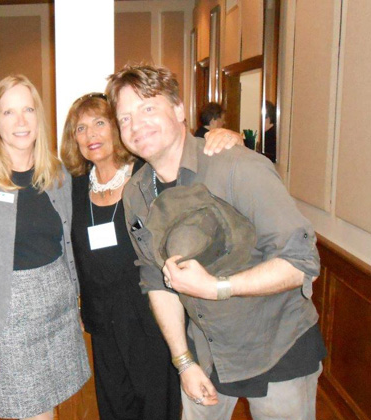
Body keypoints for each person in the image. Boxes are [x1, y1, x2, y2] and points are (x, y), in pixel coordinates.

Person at [107, 64, 326, 420]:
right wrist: (183, 362)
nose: (136, 125)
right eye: (125, 117)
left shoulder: (238, 167)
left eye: (148, 108)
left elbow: (301, 262)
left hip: (277, 347)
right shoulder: (136, 193)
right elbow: (155, 281)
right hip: (205, 355)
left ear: (179, 110)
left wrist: (218, 288)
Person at [60, 93, 241, 420]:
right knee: (114, 405)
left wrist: (225, 136)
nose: (91, 135)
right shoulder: (72, 187)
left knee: (158, 406)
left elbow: (189, 156)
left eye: (100, 123)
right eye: (81, 128)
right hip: (103, 319)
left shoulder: (145, 175)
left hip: (152, 316)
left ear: (117, 127)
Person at [0, 75, 90, 420]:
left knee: (50, 410)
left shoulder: (56, 174)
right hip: (9, 317)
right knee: (30, 413)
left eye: (28, 109)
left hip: (58, 311)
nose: (21, 121)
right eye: (9, 112)